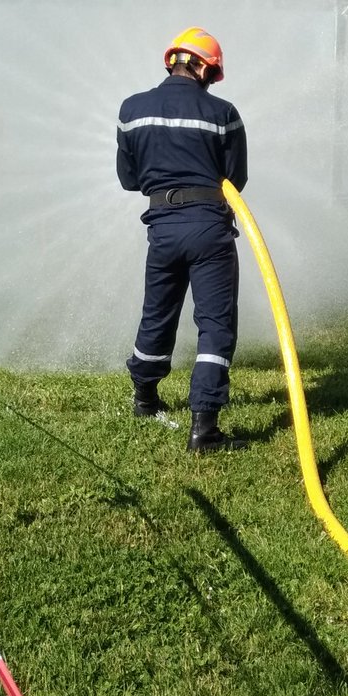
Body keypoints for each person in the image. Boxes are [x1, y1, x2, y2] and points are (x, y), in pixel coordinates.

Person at [116, 26, 249, 453]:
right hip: (210, 226)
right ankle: (204, 429)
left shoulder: (131, 110)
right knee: (214, 325)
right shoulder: (223, 113)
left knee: (157, 314)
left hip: (162, 225)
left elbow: (128, 179)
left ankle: (145, 397)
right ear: (207, 69)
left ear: (172, 61)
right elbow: (236, 179)